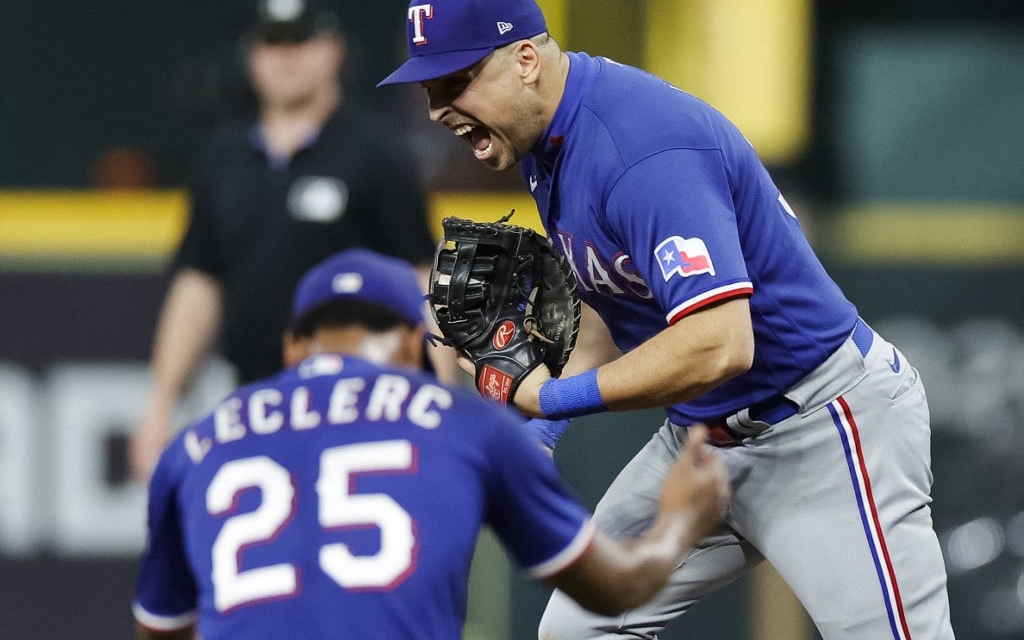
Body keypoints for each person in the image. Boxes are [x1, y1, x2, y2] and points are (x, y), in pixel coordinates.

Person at [377, 0, 954, 638]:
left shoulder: (639, 148)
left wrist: (552, 398)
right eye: (428, 89)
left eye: (453, 84)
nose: (435, 110)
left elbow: (721, 343)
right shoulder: (546, 136)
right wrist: (542, 431)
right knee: (576, 630)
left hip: (819, 426)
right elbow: (607, 297)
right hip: (705, 442)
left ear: (525, 61)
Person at [131, 248, 729, 639]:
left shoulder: (196, 445)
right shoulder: (463, 425)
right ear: (416, 347)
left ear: (292, 348)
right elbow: (614, 587)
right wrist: (678, 521)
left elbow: (161, 629)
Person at [129, 0, 445, 484]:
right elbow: (200, 282)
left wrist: (438, 396)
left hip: (360, 405)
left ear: (334, 48)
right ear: (251, 54)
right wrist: (160, 402)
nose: (286, 57)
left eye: (301, 39)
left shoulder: (377, 153)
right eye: (272, 41)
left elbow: (422, 281)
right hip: (255, 399)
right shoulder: (224, 156)